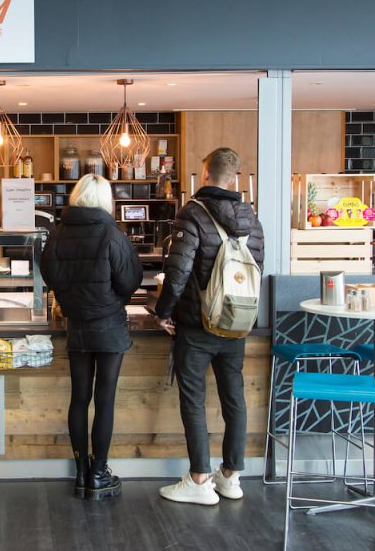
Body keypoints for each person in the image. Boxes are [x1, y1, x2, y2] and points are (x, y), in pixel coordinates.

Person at [155, 148, 264, 505]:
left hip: (198, 324)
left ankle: (200, 478)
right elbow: (256, 268)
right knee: (235, 397)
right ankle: (230, 476)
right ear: (233, 179)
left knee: (194, 400)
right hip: (237, 323)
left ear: (204, 174)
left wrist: (163, 311)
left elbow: (178, 271)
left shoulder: (193, 213)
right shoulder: (252, 218)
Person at [40, 173, 143, 500]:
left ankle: (81, 472)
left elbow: (49, 275)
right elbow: (131, 280)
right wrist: (113, 300)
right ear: (105, 200)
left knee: (79, 397)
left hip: (77, 324)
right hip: (110, 325)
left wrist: (70, 298)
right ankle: (99, 475)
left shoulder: (57, 235)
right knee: (105, 399)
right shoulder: (113, 234)